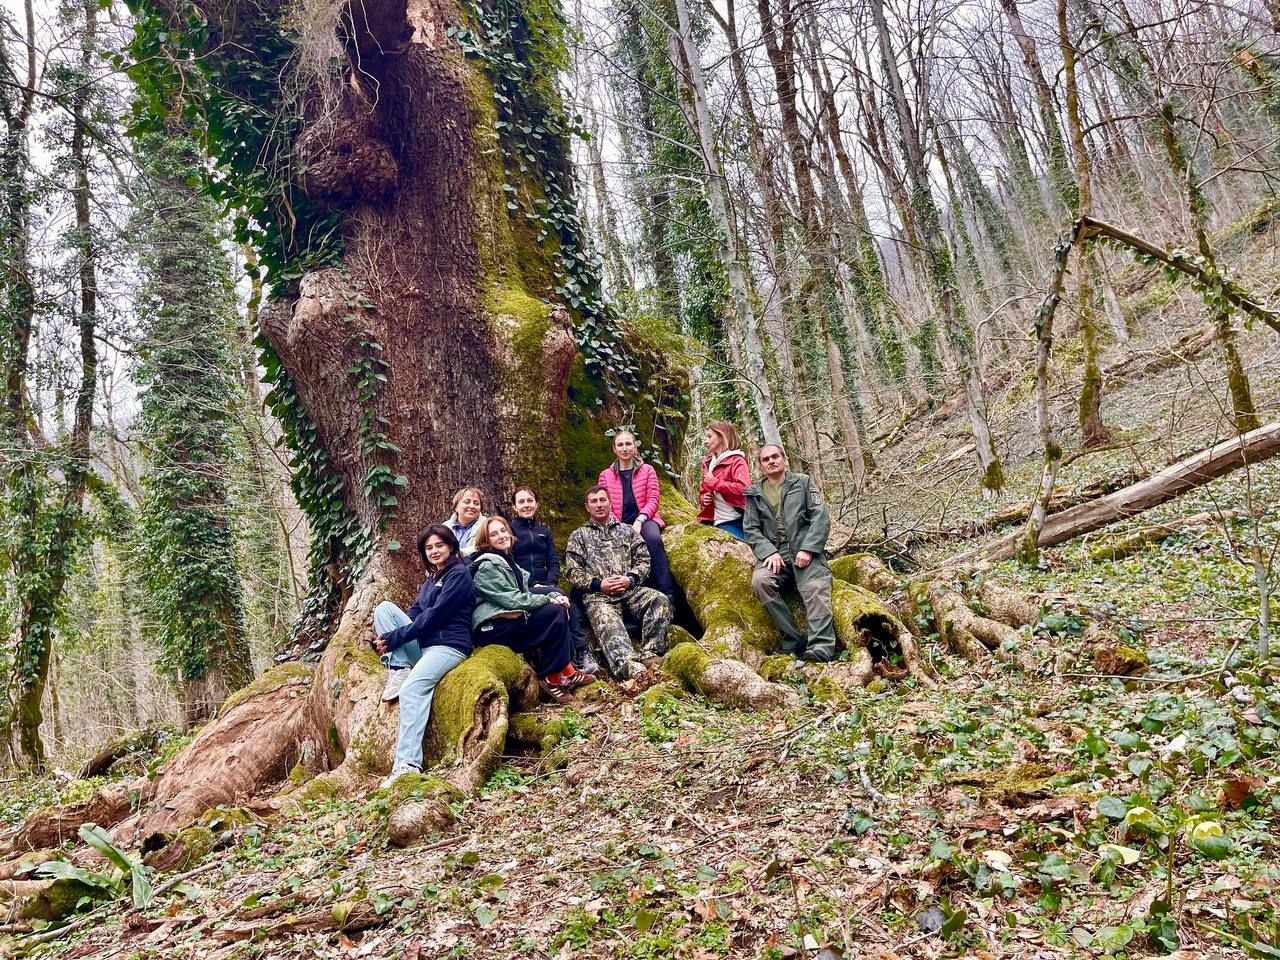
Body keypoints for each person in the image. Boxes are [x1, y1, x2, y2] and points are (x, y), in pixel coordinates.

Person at [371, 525, 476, 787]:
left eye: (439, 545)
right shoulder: (430, 580)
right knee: (384, 609)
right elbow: (416, 613)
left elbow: (434, 617)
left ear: (451, 546)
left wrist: (394, 639)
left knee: (412, 690)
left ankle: (407, 765)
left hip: (448, 646)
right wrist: (385, 641)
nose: (434, 551)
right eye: (428, 548)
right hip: (424, 646)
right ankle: (398, 668)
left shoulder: (458, 575)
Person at [471, 517, 596, 703]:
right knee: (554, 612)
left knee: (557, 609)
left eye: (503, 530)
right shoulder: (488, 566)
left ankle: (562, 671)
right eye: (494, 534)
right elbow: (511, 599)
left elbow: (525, 590)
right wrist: (548, 599)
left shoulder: (506, 560)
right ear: (486, 540)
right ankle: (552, 676)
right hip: (492, 629)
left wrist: (554, 597)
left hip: (507, 620)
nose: (501, 536)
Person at [743, 445, 838, 663]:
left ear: (784, 459)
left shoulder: (802, 483)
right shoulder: (754, 494)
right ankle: (793, 639)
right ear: (760, 465)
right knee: (761, 582)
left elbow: (820, 516)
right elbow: (751, 529)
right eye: (765, 459)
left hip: (803, 548)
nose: (771, 461)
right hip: (775, 553)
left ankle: (821, 646)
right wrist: (769, 552)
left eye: (775, 456)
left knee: (815, 586)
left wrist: (808, 548)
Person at [565, 485, 672, 680]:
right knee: (609, 624)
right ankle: (632, 670)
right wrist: (599, 584)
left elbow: (644, 560)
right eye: (594, 501)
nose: (599, 505)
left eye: (602, 500)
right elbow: (572, 571)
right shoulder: (578, 536)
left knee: (660, 600)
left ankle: (650, 653)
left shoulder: (627, 531)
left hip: (630, 591)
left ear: (610, 502)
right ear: (587, 507)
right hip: (598, 597)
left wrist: (629, 579)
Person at [510, 486, 600, 674]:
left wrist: (550, 583)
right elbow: (510, 563)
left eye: (529, 501)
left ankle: (577, 654)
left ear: (536, 504)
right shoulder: (510, 530)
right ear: (514, 507)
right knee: (560, 597)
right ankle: (580, 651)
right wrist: (534, 583)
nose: (526, 505)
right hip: (523, 585)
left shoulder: (544, 531)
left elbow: (553, 561)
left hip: (547, 585)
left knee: (564, 603)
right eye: (521, 502)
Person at [597, 431, 676, 599]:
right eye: (620, 445)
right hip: (618, 522)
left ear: (634, 446)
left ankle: (667, 592)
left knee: (653, 539)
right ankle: (626, 596)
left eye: (628, 444)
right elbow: (603, 503)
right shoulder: (606, 475)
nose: (624, 448)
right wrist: (616, 525)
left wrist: (640, 519)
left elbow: (653, 499)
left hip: (645, 519)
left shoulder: (647, 470)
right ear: (614, 449)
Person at [697, 420, 750, 540]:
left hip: (738, 520)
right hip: (714, 520)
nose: (706, 441)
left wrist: (714, 482)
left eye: (709, 437)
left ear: (722, 437)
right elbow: (703, 491)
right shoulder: (707, 462)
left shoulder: (737, 460)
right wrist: (703, 499)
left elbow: (744, 488)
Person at [443, 486, 487, 557]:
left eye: (476, 503)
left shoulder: (487, 525)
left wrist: (457, 554)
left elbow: (481, 548)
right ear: (456, 507)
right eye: (467, 502)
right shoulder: (444, 527)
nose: (472, 506)